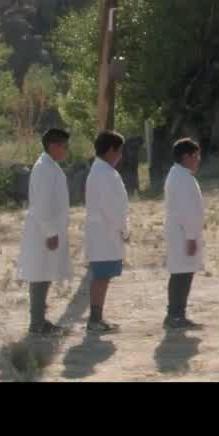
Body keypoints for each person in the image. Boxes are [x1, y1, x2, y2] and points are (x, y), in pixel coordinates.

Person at [17, 127, 73, 336]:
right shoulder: (43, 168)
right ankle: (37, 323)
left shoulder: (50, 166)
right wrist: (50, 232)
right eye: (64, 146)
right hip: (42, 231)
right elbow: (41, 205)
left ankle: (40, 320)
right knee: (39, 275)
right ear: (53, 146)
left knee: (44, 274)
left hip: (48, 229)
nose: (66, 150)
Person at [83, 130, 131, 333]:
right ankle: (95, 320)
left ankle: (97, 317)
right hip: (105, 232)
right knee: (101, 276)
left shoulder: (103, 171)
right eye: (119, 151)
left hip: (105, 231)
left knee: (103, 276)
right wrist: (124, 229)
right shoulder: (104, 174)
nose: (120, 156)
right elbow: (112, 207)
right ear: (111, 150)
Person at [163, 138, 206, 330]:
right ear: (186, 156)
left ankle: (176, 314)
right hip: (182, 233)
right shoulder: (182, 179)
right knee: (181, 274)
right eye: (196, 156)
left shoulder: (180, 175)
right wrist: (190, 237)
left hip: (181, 231)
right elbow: (187, 212)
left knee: (183, 272)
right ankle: (175, 316)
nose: (198, 160)